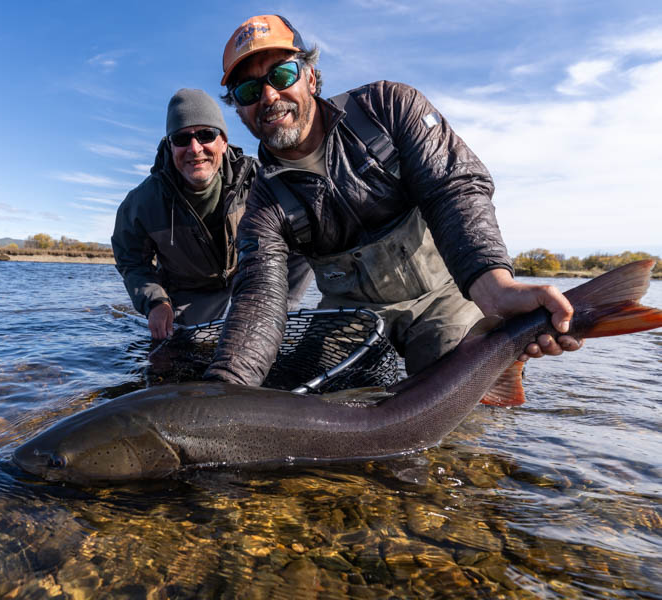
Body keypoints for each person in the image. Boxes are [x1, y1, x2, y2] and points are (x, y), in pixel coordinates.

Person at [205, 15, 582, 385]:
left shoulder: (389, 107)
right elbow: (259, 299)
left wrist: (494, 288)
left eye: (282, 75)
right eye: (249, 91)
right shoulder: (262, 201)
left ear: (311, 78)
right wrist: (225, 387)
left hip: (445, 294)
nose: (269, 96)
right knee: (315, 399)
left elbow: (453, 190)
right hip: (350, 312)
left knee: (453, 394)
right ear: (239, 110)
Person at [112, 88, 313, 340]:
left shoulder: (258, 179)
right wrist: (155, 302)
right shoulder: (142, 202)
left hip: (252, 282)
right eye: (182, 139)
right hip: (190, 293)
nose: (195, 149)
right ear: (170, 145)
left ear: (224, 141)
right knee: (189, 345)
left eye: (206, 135)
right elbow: (131, 260)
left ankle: (274, 313)